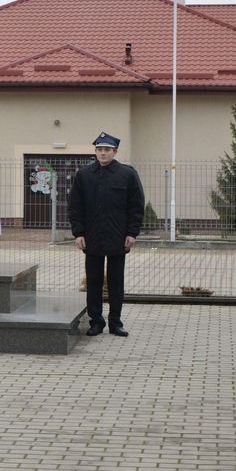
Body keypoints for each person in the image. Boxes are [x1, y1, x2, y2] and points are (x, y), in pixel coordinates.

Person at [68, 132, 144, 337]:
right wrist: (79, 233)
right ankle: (96, 322)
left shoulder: (127, 174)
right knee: (93, 281)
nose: (103, 153)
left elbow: (136, 206)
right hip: (91, 237)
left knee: (115, 281)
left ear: (115, 152)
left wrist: (132, 233)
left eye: (107, 150)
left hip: (118, 236)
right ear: (95, 151)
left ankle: (115, 322)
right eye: (99, 149)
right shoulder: (83, 175)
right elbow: (75, 207)